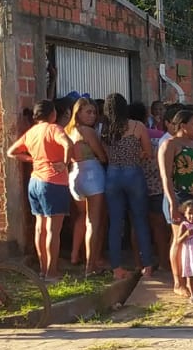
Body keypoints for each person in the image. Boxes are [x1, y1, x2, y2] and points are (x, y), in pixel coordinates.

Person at [8, 99, 73, 280]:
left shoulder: (32, 132)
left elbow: (11, 152)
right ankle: (52, 272)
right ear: (52, 114)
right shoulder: (54, 129)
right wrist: (64, 163)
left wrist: (32, 159)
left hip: (35, 181)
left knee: (40, 228)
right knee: (53, 230)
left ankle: (43, 270)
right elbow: (68, 144)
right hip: (53, 182)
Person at [101, 93, 156, 280]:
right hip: (134, 174)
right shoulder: (137, 126)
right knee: (140, 221)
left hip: (113, 174)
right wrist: (135, 156)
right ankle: (147, 266)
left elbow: (105, 154)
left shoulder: (105, 129)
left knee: (115, 223)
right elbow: (148, 152)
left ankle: (116, 268)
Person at [158, 106, 193, 296]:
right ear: (183, 125)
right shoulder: (170, 144)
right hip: (181, 198)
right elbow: (166, 177)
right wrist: (172, 202)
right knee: (180, 239)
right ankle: (178, 282)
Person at [66, 97, 108, 271]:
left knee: (82, 217)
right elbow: (102, 155)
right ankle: (91, 263)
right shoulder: (87, 132)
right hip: (92, 174)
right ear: (79, 112)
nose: (92, 116)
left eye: (94, 112)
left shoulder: (68, 131)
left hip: (74, 174)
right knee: (94, 221)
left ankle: (75, 254)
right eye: (88, 112)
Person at [131, 101, 171, 273]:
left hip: (134, 185)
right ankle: (163, 262)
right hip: (157, 185)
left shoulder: (125, 137)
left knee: (137, 224)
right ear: (146, 116)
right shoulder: (159, 136)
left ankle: (139, 263)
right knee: (159, 225)